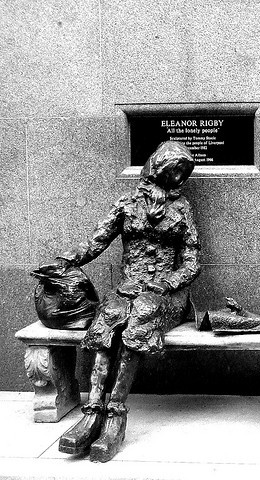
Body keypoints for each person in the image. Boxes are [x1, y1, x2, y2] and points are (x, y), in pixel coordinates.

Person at [41, 141, 201, 462]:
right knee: (111, 314)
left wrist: (169, 281)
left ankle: (115, 416)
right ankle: (92, 413)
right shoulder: (128, 205)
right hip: (129, 287)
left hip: (167, 294)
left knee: (141, 314)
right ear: (158, 167)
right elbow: (95, 242)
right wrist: (66, 261)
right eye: (175, 171)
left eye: (184, 174)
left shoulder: (182, 209)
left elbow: (192, 260)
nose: (179, 180)